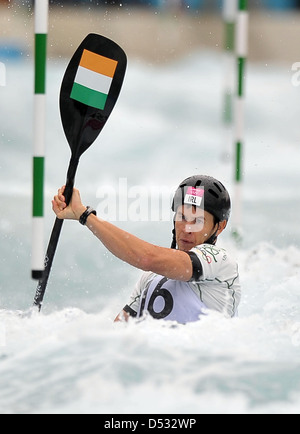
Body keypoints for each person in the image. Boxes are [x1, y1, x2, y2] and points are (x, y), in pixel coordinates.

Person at [52, 175, 241, 324]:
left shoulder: (221, 263)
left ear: (220, 226)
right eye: (182, 217)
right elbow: (116, 334)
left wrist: (85, 215)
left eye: (197, 221)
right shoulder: (151, 278)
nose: (186, 228)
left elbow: (145, 258)